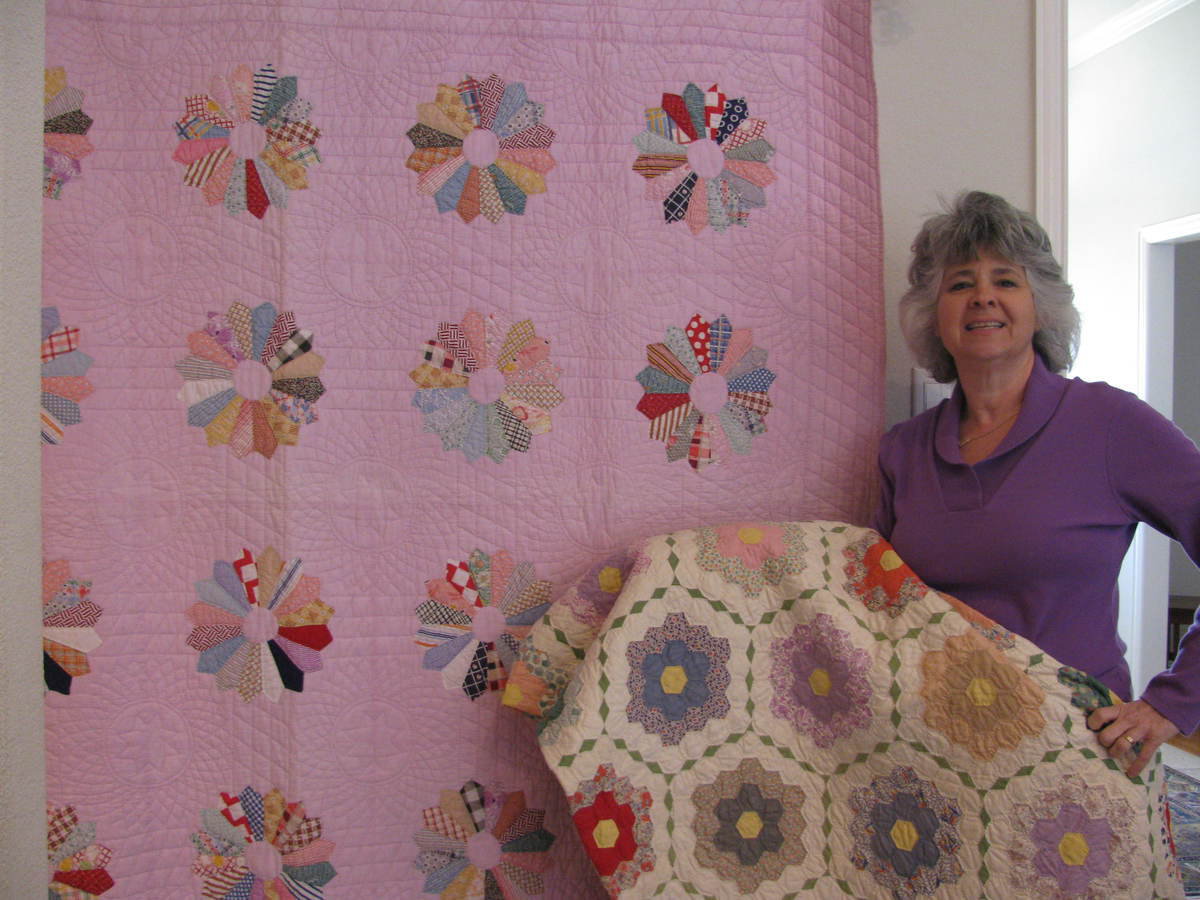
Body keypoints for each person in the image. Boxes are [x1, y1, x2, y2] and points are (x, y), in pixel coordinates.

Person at [873, 190, 1200, 778]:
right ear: (933, 314)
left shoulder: (1111, 424)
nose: (983, 297)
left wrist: (1172, 703)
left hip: (1071, 750)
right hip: (933, 751)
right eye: (959, 283)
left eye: (1006, 279)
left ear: (1041, 305)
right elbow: (880, 605)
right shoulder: (904, 448)